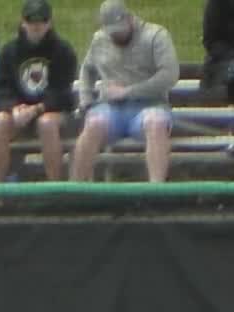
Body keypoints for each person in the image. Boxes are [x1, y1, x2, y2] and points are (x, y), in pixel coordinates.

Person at [70, 0, 179, 183]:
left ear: (129, 19)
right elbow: (87, 69)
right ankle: (75, 187)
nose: (116, 35)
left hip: (150, 104)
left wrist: (128, 92)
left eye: (119, 30)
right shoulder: (99, 39)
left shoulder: (156, 35)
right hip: (110, 108)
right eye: (112, 32)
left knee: (156, 123)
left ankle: (156, 187)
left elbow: (170, 75)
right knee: (93, 123)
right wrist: (86, 99)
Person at [0, 0, 78, 182]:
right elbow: (1, 88)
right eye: (31, 21)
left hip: (54, 112)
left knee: (46, 124)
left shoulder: (63, 51)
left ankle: (55, 187)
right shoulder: (9, 52)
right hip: (19, 113)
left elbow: (63, 93)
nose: (36, 26)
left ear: (49, 23)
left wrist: (37, 109)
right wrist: (13, 108)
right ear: (23, 22)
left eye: (41, 21)